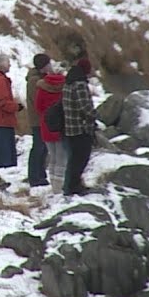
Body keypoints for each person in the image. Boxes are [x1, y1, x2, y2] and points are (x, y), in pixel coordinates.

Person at [60, 39, 97, 196]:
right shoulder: (80, 84)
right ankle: (72, 187)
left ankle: (70, 185)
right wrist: (95, 116)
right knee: (81, 158)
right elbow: (85, 107)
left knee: (74, 158)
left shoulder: (68, 82)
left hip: (70, 126)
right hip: (80, 127)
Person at [24, 53, 58, 187]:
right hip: (37, 119)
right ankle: (34, 176)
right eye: (49, 64)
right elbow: (40, 97)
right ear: (44, 66)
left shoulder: (40, 78)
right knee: (38, 147)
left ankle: (40, 174)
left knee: (43, 148)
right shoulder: (34, 81)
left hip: (43, 118)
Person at [35, 66, 67, 188]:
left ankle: (54, 185)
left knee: (52, 156)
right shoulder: (65, 88)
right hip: (61, 125)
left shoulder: (42, 88)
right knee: (61, 157)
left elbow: (38, 107)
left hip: (46, 124)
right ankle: (60, 186)